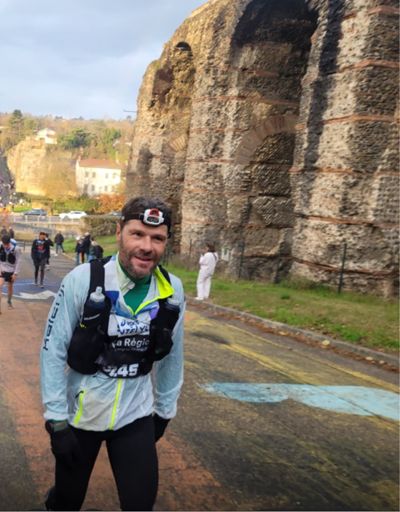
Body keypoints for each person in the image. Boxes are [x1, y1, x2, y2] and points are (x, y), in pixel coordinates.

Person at [40, 196, 185, 511]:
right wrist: (56, 420)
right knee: (67, 501)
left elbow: (173, 357)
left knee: (140, 504)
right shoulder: (83, 280)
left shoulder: (172, 290)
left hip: (135, 415)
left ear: (166, 242)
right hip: (81, 415)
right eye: (137, 234)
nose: (146, 247)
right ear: (120, 232)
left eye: (157, 238)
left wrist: (164, 412)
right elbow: (53, 350)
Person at [0, 234, 21, 312]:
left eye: (7, 244)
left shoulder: (16, 249)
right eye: (4, 244)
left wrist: (15, 273)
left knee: (10, 287)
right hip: (2, 269)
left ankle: (9, 301)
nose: (5, 246)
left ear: (9, 242)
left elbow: (18, 261)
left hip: (11, 271)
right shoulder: (0, 246)